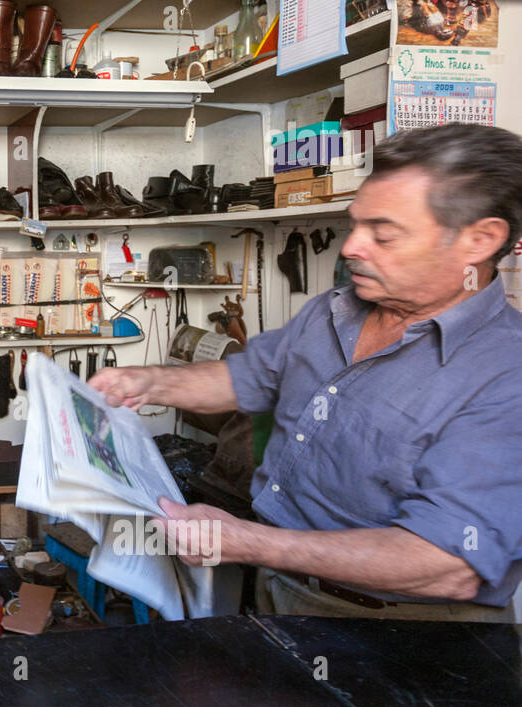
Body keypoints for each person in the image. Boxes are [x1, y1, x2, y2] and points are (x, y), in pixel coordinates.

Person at [91, 124, 522, 621]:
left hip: (406, 628)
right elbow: (246, 377)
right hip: (278, 588)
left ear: (479, 239)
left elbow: (446, 563)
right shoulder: (333, 311)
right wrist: (149, 382)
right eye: (355, 225)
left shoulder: (505, 374)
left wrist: (250, 542)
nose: (352, 247)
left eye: (382, 234)